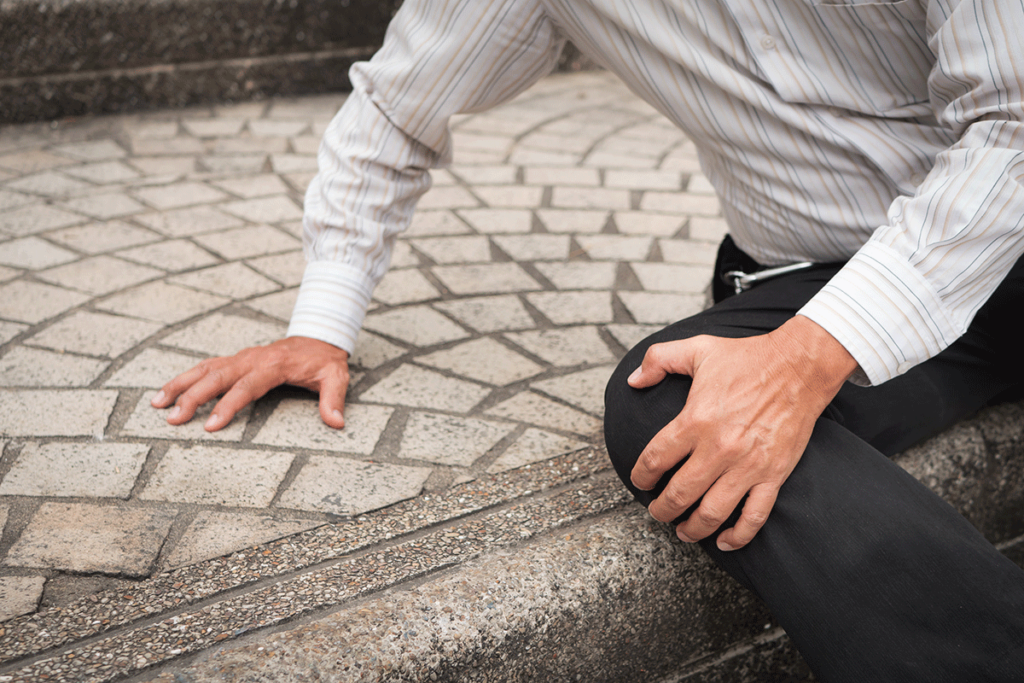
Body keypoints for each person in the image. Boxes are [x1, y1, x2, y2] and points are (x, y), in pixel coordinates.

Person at [153, 1, 1024, 679]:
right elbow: (396, 104)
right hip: (810, 275)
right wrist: (320, 322)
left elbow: (1013, 119)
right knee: (671, 405)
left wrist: (812, 358)